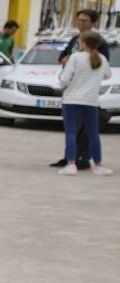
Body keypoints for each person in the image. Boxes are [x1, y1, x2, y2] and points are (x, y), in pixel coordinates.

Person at [49, 10, 106, 168]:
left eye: (84, 20)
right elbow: (64, 54)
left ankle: (82, 159)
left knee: (82, 130)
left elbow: (103, 66)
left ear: (92, 23)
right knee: (74, 129)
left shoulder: (100, 43)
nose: (81, 23)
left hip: (83, 92)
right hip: (73, 91)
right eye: (79, 20)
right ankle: (69, 157)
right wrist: (63, 59)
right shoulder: (75, 40)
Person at [58, 31, 111, 175]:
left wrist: (62, 86)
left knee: (71, 132)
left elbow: (64, 79)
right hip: (91, 101)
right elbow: (108, 75)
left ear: (84, 43)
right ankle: (98, 165)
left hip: (71, 100)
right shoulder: (102, 59)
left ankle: (71, 164)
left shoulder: (75, 57)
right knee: (93, 133)